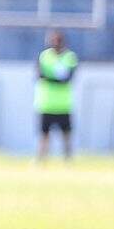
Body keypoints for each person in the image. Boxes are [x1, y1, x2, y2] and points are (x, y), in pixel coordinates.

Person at [37, 29, 77, 160]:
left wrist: (52, 78)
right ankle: (42, 160)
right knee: (44, 135)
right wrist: (57, 79)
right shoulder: (44, 56)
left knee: (66, 135)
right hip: (46, 103)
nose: (55, 43)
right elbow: (39, 75)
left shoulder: (70, 57)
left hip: (63, 104)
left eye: (58, 40)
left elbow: (69, 77)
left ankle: (68, 161)